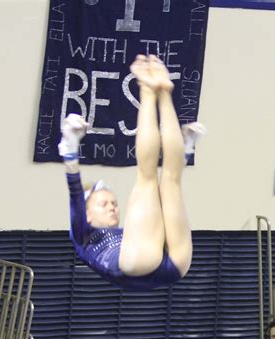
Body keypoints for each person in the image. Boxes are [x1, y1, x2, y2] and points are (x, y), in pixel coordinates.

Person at [58, 54, 205, 291]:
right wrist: (70, 148)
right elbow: (75, 191)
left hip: (152, 261)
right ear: (86, 215)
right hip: (159, 262)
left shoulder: (129, 234)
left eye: (113, 203)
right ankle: (150, 90)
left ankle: (162, 92)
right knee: (161, 179)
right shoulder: (81, 233)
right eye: (104, 204)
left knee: (165, 180)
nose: (113, 207)